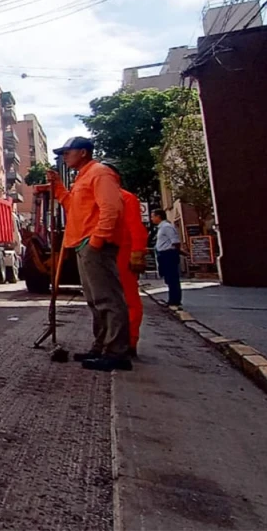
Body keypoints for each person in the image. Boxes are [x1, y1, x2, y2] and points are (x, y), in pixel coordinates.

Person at [47, 137, 132, 371]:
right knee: (95, 300)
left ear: (83, 152)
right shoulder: (82, 177)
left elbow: (111, 208)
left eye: (68, 152)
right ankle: (102, 347)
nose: (64, 156)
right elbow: (72, 206)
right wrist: (58, 187)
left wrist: (97, 239)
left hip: (93, 243)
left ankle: (116, 352)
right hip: (83, 243)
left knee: (107, 299)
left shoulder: (100, 173)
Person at [101, 163, 149, 357]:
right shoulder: (105, 198)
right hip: (106, 253)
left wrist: (137, 252)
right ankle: (114, 340)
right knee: (110, 300)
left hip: (122, 253)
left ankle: (128, 341)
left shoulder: (126, 198)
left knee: (127, 299)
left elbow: (136, 228)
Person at [151, 209, 182, 306]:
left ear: (158, 216)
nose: (152, 219)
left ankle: (175, 300)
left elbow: (175, 241)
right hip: (164, 255)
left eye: (153, 216)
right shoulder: (161, 228)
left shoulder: (166, 227)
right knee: (168, 278)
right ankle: (172, 299)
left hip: (168, 254)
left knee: (172, 277)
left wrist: (176, 253)